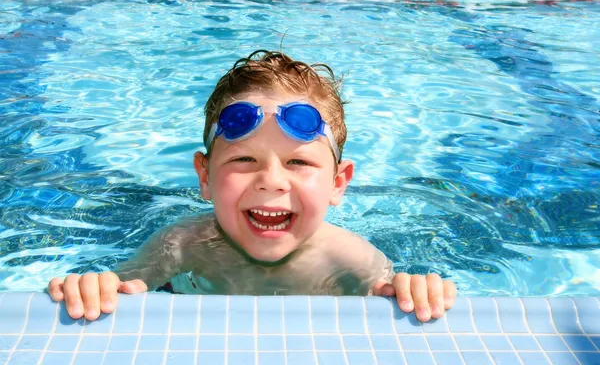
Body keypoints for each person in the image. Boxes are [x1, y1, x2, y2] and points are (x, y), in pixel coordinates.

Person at [48, 50, 457, 323]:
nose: (271, 181)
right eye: (244, 160)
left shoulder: (349, 257)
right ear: (205, 176)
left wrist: (416, 289)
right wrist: (94, 287)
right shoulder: (181, 243)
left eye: (298, 162)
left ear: (337, 183)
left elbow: (391, 301)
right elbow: (121, 288)